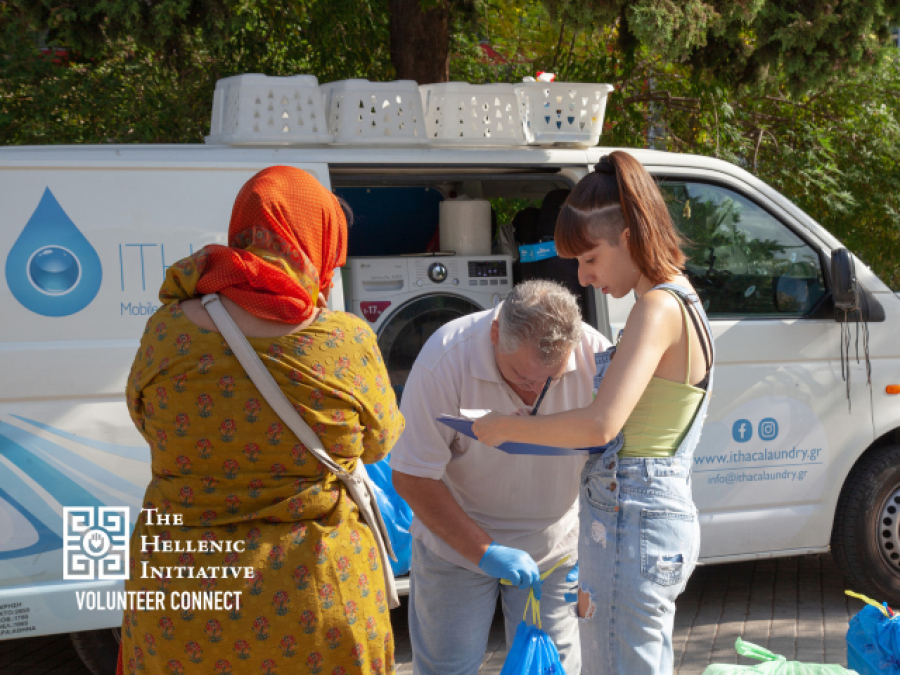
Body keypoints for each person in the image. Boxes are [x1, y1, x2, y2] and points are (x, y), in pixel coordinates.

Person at [120, 166, 405, 675]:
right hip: (316, 594)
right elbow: (380, 443)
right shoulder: (342, 342)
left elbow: (145, 421)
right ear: (317, 241)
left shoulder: (167, 332)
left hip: (181, 596)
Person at [473, 151, 715, 675]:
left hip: (633, 524)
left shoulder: (657, 308)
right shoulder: (683, 300)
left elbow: (601, 424)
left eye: (589, 259)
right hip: (646, 520)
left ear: (628, 237)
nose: (582, 278)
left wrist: (506, 426)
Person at [391, 279, 613, 675]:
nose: (533, 393)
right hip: (455, 545)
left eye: (552, 379)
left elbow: (617, 463)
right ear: (496, 333)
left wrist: (597, 549)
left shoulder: (596, 355)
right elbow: (411, 476)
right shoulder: (446, 357)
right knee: (447, 669)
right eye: (522, 377)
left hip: (556, 548)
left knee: (551, 669)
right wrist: (484, 550)